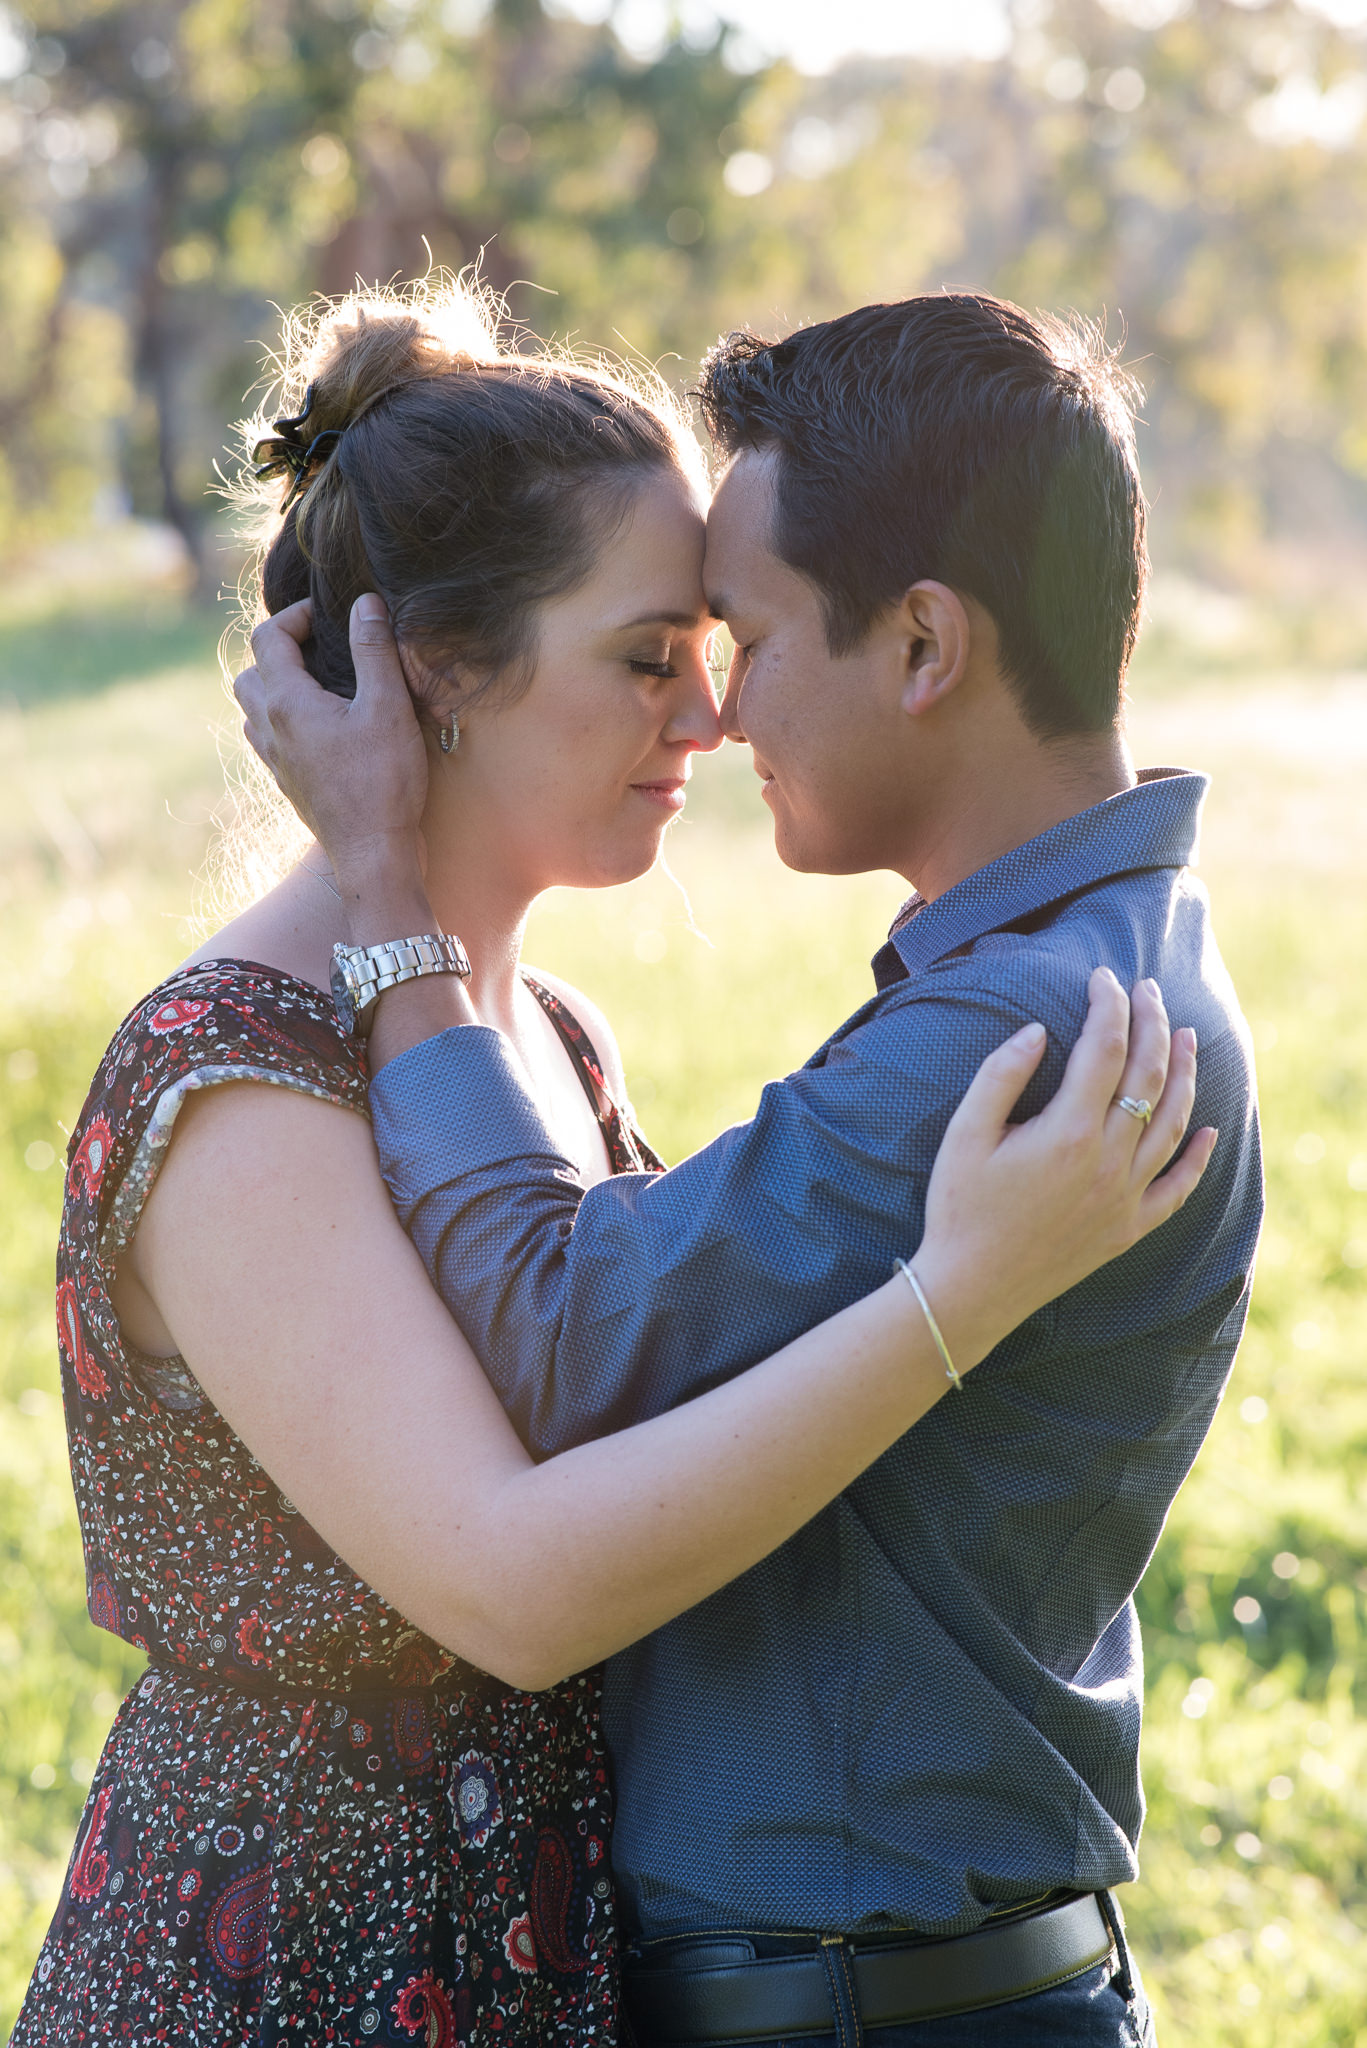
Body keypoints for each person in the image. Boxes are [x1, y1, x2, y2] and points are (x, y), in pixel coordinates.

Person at [12, 286, 1208, 2048]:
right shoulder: (242, 1085)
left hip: (541, 1961)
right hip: (293, 1971)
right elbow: (515, 1583)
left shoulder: (546, 1048)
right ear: (428, 680)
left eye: (716, 646)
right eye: (651, 655)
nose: (709, 718)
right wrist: (951, 1301)